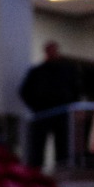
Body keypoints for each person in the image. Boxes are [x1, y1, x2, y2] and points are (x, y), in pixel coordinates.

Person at [19, 42, 77, 170]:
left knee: (62, 145)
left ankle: (63, 169)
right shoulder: (37, 72)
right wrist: (36, 107)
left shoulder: (67, 70)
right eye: (50, 51)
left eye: (54, 50)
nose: (52, 53)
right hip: (42, 114)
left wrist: (72, 106)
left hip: (62, 113)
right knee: (38, 146)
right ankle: (35, 172)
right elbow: (24, 92)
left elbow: (76, 90)